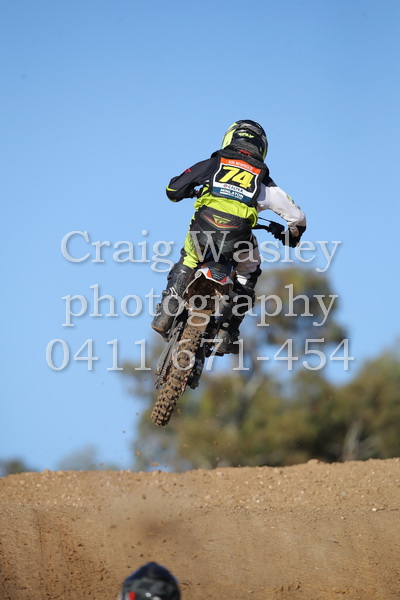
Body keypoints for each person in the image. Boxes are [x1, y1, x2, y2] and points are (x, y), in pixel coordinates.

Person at [151, 119, 307, 353]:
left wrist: (189, 191)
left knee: (189, 258)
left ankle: (168, 308)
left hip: (202, 230)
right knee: (248, 272)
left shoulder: (214, 164)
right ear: (262, 148)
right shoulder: (263, 180)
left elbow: (173, 190)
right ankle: (227, 330)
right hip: (238, 238)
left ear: (230, 138)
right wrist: (292, 237)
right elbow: (296, 217)